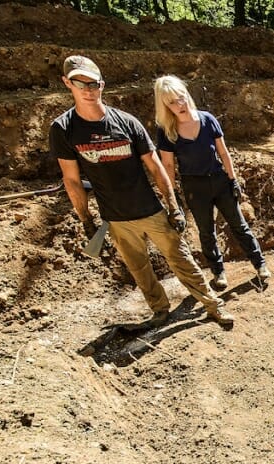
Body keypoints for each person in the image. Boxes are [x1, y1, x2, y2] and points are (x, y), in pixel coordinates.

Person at [49, 56, 233, 328]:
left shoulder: (126, 122)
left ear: (102, 85)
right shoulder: (64, 129)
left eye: (93, 84)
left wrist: (173, 207)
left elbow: (157, 168)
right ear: (68, 83)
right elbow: (72, 180)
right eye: (80, 83)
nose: (88, 90)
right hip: (116, 218)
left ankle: (212, 305)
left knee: (181, 259)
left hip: (150, 209)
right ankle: (159, 310)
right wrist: (86, 219)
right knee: (139, 269)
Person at [153, 75, 271, 291]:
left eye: (180, 97)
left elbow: (224, 153)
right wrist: (171, 197)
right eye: (171, 102)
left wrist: (233, 180)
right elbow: (168, 167)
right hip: (194, 188)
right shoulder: (166, 131)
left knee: (239, 225)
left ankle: (260, 264)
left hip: (219, 180)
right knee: (206, 232)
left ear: (186, 94)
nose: (179, 104)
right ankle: (218, 273)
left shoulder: (207, 120)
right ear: (164, 106)